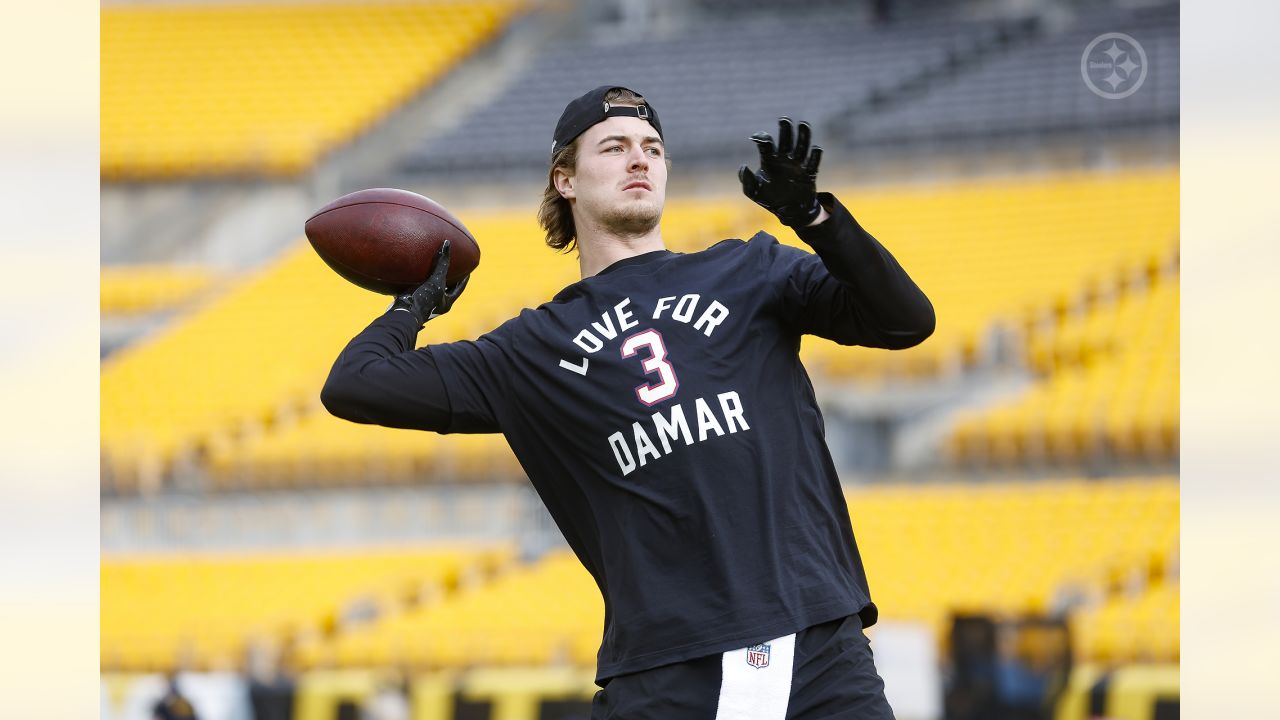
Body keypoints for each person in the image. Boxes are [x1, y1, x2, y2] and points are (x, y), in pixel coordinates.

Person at [322, 85, 935, 718]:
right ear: (565, 179)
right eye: (613, 148)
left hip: (820, 650)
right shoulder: (533, 348)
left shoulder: (752, 270)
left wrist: (816, 220)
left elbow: (906, 321)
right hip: (667, 674)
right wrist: (414, 304)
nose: (638, 160)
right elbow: (355, 383)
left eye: (652, 148)